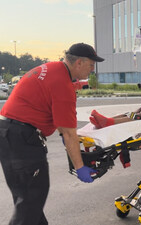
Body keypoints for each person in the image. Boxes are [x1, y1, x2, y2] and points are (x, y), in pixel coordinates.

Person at [0, 43, 104, 225]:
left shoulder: (52, 69)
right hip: (23, 142)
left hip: (9, 134)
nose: (92, 69)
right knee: (30, 203)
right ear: (79, 62)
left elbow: (44, 97)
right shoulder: (62, 84)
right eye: (91, 65)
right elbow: (69, 133)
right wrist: (80, 167)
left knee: (29, 202)